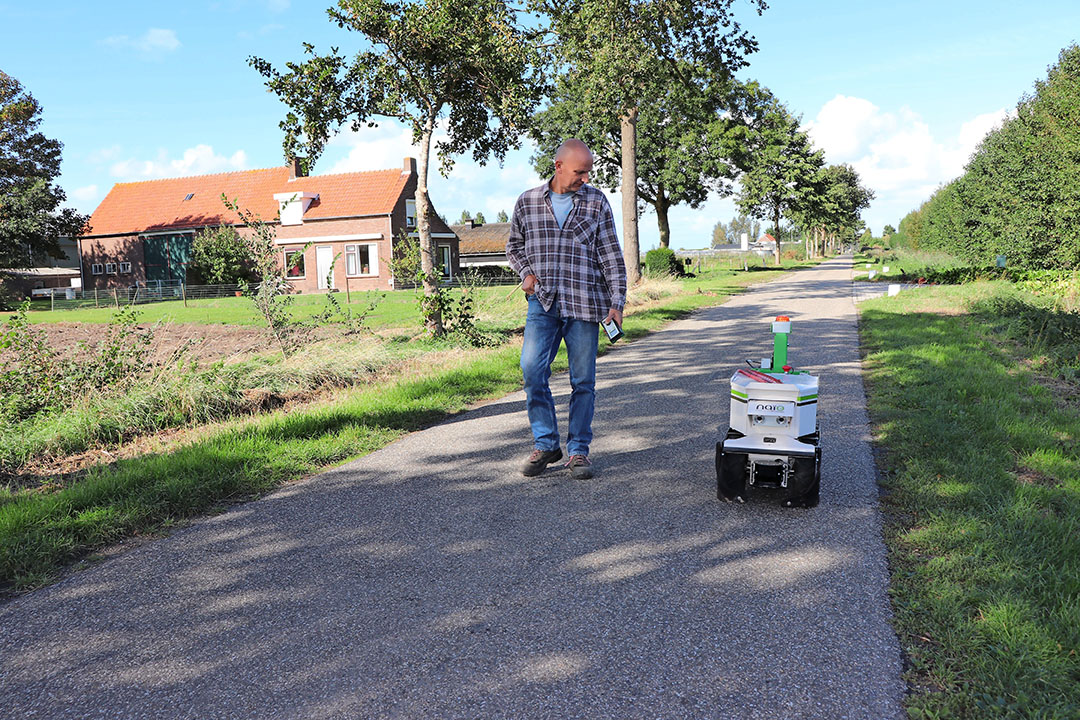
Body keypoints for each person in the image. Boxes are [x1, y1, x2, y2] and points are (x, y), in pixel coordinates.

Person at [505, 139, 627, 479]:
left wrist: (617, 303)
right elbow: (513, 246)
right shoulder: (528, 201)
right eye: (579, 171)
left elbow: (612, 257)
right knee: (531, 371)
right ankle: (546, 444)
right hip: (542, 303)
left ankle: (578, 452)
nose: (585, 178)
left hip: (585, 305)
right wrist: (525, 272)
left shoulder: (596, 202)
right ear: (558, 166)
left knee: (583, 381)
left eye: (588, 171)